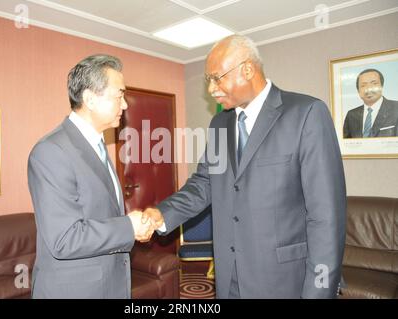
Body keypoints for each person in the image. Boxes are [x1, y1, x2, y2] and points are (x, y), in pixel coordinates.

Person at [143, 35, 346, 298]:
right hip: (229, 277)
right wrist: (163, 214)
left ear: (248, 69)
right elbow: (204, 183)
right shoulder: (220, 123)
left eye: (218, 78)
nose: (212, 89)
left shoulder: (306, 114)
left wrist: (320, 290)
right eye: (208, 81)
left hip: (284, 280)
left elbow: (326, 216)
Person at [27, 54, 154, 298]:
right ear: (90, 99)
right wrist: (129, 227)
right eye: (119, 95)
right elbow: (65, 238)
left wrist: (133, 226)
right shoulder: (51, 151)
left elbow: (99, 214)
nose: (125, 104)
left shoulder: (97, 146)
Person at [343, 68, 398, 138]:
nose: (369, 89)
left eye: (374, 83)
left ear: (382, 86)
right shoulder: (351, 115)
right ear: (358, 91)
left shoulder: (396, 108)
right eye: (363, 85)